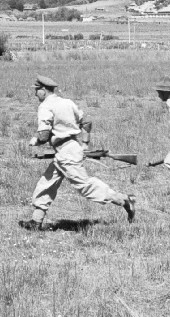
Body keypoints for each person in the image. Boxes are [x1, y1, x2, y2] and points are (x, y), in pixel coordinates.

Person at [27, 76, 134, 228]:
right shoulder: (67, 102)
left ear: (43, 90)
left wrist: (35, 139)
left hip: (66, 153)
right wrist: (85, 143)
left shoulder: (45, 106)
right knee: (47, 183)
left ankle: (123, 200)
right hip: (70, 148)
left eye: (37, 90)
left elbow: (43, 136)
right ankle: (36, 221)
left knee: (85, 186)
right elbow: (87, 122)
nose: (35, 94)